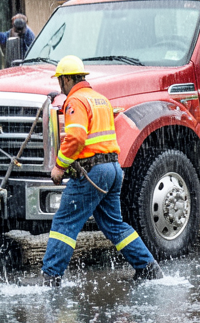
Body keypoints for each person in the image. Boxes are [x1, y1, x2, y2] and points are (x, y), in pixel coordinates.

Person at [41, 55, 161, 286]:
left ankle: (51, 277)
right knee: (114, 224)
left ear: (66, 80)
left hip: (92, 172)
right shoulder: (99, 99)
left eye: (60, 81)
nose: (60, 87)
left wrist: (59, 167)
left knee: (65, 223)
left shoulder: (76, 101)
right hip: (112, 169)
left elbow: (76, 137)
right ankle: (148, 267)